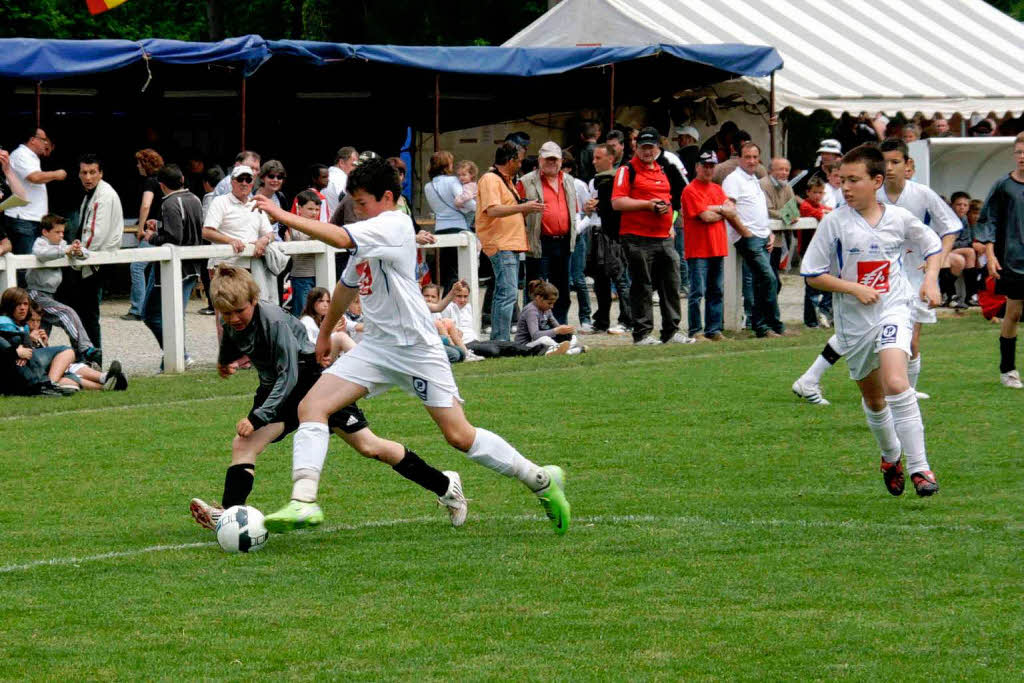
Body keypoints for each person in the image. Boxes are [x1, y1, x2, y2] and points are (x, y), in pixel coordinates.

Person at [252, 157, 571, 535]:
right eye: (353, 204)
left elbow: (339, 238)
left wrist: (278, 213)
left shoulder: (394, 223)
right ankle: (303, 501)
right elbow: (347, 286)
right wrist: (324, 334)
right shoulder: (370, 228)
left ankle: (540, 480)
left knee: (459, 436)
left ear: (387, 198)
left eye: (363, 203)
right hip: (377, 348)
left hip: (417, 349)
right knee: (313, 406)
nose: (357, 211)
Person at [189, 264, 468, 533]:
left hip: (312, 382)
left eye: (239, 311)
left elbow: (290, 375)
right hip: (278, 390)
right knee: (244, 444)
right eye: (226, 314)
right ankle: (228, 515)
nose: (234, 318)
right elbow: (231, 341)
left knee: (370, 447)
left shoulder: (274, 321)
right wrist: (224, 362)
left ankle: (445, 485)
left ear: (254, 299)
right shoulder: (232, 321)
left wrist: (257, 416)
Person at [800, 144, 942, 497]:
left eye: (854, 180)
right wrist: (853, 288)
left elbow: (932, 244)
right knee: (875, 399)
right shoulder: (834, 223)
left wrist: (930, 278)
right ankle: (890, 455)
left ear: (876, 181)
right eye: (842, 180)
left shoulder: (898, 218)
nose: (845, 188)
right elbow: (812, 273)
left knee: (896, 382)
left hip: (894, 307)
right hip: (854, 321)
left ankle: (920, 467)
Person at [792, 138, 959, 404]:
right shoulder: (865, 196)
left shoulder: (922, 194)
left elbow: (948, 229)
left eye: (896, 161)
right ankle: (898, 395)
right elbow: (841, 233)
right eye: (887, 161)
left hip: (914, 274)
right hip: (878, 277)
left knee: (903, 340)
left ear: (909, 165)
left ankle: (901, 394)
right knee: (873, 333)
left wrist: (935, 267)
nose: (891, 167)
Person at [612, 127, 693, 345]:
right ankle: (642, 333)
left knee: (671, 282)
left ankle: (671, 330)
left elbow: (676, 200)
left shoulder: (664, 170)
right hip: (637, 236)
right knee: (642, 285)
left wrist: (672, 220)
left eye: (651, 147)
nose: (647, 151)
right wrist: (648, 205)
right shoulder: (627, 170)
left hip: (663, 236)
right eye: (643, 147)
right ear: (636, 148)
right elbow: (617, 202)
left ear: (658, 148)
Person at [138, 164, 205, 371]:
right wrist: (158, 225)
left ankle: (179, 354)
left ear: (161, 185)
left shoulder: (169, 203)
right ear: (182, 178)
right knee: (176, 314)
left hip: (173, 269)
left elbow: (174, 237)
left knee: (149, 313)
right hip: (193, 267)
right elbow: (188, 229)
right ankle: (175, 356)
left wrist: (152, 236)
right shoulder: (194, 199)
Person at [476, 142, 543, 342]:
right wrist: (523, 208)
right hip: (500, 243)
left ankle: (500, 338)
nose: (520, 165)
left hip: (509, 242)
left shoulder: (506, 180)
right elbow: (493, 210)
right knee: (507, 293)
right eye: (519, 161)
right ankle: (501, 339)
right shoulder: (490, 179)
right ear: (510, 160)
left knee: (506, 293)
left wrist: (524, 207)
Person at [722, 142, 785, 337]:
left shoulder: (754, 179)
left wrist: (768, 232)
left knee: (765, 281)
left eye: (755, 157)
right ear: (739, 158)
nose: (751, 161)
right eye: (747, 157)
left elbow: (758, 211)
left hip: (762, 236)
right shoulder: (733, 179)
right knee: (768, 279)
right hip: (748, 238)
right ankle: (771, 325)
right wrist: (745, 233)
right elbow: (728, 209)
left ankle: (764, 326)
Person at [60, 153, 122, 351]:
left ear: (101, 173)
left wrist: (76, 251)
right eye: (84, 172)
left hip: (92, 264)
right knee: (82, 313)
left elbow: (95, 234)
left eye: (92, 172)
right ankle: (88, 356)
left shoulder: (103, 196)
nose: (88, 177)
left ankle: (92, 358)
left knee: (86, 315)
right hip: (90, 261)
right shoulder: (93, 194)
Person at [976, 132, 1024, 388]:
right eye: (1018, 152)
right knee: (1013, 312)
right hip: (1013, 260)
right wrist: (991, 255)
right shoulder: (1004, 186)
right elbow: (988, 222)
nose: (1022, 156)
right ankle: (1008, 370)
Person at [27, 214, 101, 365]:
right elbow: (41, 254)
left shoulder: (62, 244)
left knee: (41, 335)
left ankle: (75, 362)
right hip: (36, 293)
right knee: (67, 312)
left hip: (50, 295)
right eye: (57, 232)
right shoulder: (40, 242)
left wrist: (78, 251)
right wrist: (65, 250)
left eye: (62, 232)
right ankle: (85, 349)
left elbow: (84, 254)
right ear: (45, 232)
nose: (61, 235)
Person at [518, 141, 577, 325]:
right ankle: (533, 329)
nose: (552, 162)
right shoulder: (526, 181)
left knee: (562, 290)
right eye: (548, 159)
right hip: (539, 241)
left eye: (555, 159)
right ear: (540, 159)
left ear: (561, 160)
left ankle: (559, 327)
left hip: (564, 242)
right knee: (537, 289)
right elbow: (516, 211)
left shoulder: (568, 180)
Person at [681, 152, 734, 341]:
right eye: (705, 166)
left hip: (717, 247)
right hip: (699, 249)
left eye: (712, 166)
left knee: (716, 291)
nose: (709, 170)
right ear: (697, 167)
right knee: (697, 292)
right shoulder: (690, 190)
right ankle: (695, 330)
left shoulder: (717, 189)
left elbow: (731, 208)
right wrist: (721, 210)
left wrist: (714, 209)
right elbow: (706, 217)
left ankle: (714, 329)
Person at [587, 143, 631, 335]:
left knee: (620, 277)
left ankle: (627, 319)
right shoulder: (595, 181)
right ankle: (601, 319)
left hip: (615, 236)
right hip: (597, 233)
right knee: (600, 279)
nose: (593, 162)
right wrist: (590, 207)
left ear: (610, 159)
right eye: (594, 158)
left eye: (598, 158)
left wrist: (600, 204)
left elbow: (616, 206)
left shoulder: (618, 178)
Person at [0, 286, 78, 395]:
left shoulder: (22, 325)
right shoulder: (3, 322)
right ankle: (44, 386)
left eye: (25, 304)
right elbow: (10, 348)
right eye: (18, 304)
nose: (22, 308)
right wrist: (16, 353)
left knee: (73, 378)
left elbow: (26, 347)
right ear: (9, 305)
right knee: (66, 352)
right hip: (10, 371)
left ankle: (103, 380)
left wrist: (41, 344)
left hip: (25, 367)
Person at [3, 128, 66, 259]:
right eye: (43, 140)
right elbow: (35, 177)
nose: (46, 144)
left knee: (36, 260)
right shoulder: (20, 154)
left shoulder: (32, 157)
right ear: (32, 140)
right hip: (23, 218)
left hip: (33, 218)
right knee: (25, 261)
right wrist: (57, 174)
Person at [124, 148, 165, 322]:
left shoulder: (150, 183)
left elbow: (146, 205)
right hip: (164, 228)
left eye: (139, 163)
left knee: (137, 266)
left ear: (145, 164)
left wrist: (140, 228)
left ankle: (137, 309)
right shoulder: (163, 180)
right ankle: (147, 306)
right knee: (153, 269)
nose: (137, 166)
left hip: (152, 229)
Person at [424, 151, 474, 288]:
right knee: (458, 273)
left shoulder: (428, 186)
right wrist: (479, 208)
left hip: (440, 229)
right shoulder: (453, 181)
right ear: (446, 164)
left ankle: (445, 305)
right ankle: (453, 305)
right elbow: (465, 201)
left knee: (446, 273)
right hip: (458, 227)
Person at [799, 177, 835, 328]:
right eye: (815, 192)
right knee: (811, 285)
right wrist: (824, 211)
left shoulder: (821, 206)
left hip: (820, 251)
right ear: (808, 192)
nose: (818, 195)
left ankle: (823, 314)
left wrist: (825, 211)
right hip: (807, 250)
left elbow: (831, 212)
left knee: (826, 282)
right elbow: (819, 214)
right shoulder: (806, 206)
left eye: (821, 192)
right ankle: (811, 320)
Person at [515, 279, 584, 355]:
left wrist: (566, 331)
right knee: (545, 339)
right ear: (538, 298)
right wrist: (556, 330)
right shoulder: (531, 311)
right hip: (525, 346)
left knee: (571, 337)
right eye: (549, 303)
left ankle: (559, 350)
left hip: (541, 343)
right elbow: (535, 335)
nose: (552, 306)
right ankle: (569, 351)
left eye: (553, 303)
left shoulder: (547, 309)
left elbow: (557, 327)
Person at [287, 190, 322, 317]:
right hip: (302, 275)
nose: (314, 213)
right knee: (302, 310)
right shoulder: (295, 224)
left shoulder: (320, 225)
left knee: (317, 311)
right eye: (310, 209)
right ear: (299, 208)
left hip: (318, 273)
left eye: (317, 209)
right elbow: (301, 240)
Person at [325, 146, 358, 216]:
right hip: (336, 224)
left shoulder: (323, 176)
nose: (356, 169)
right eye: (353, 165)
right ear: (341, 163)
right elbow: (349, 208)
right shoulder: (343, 180)